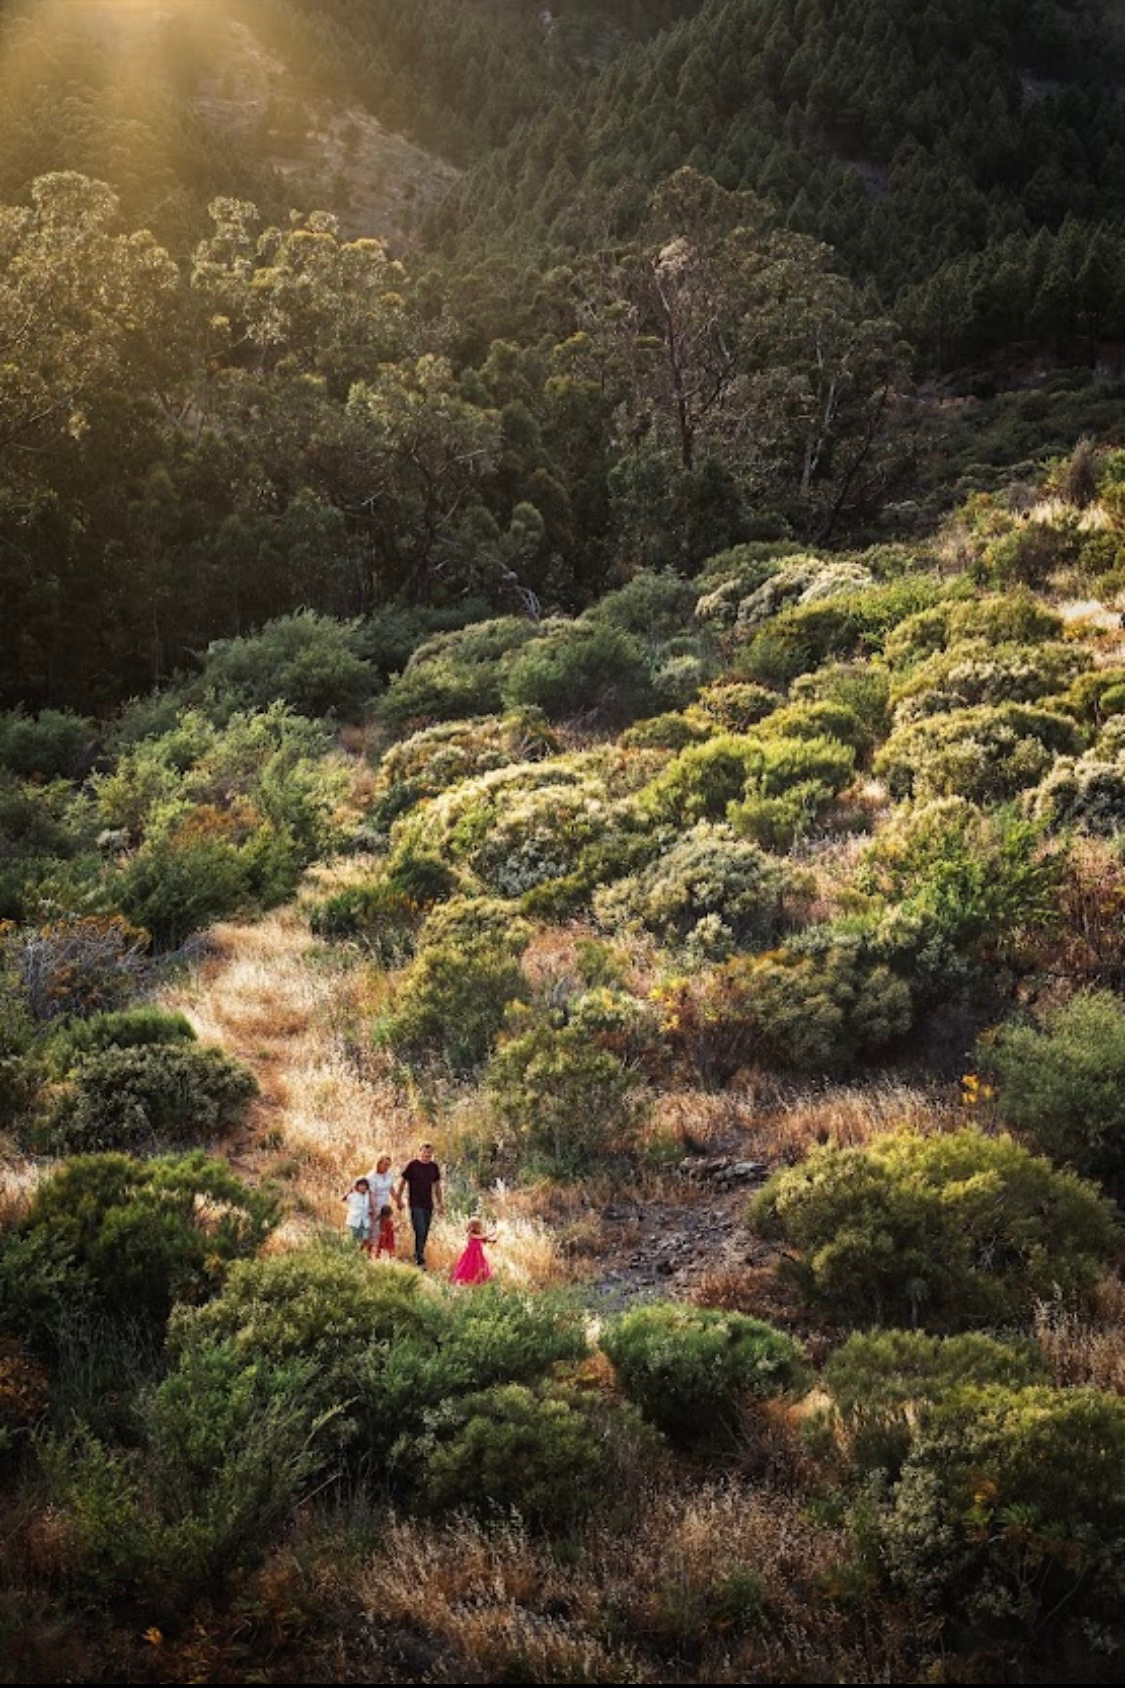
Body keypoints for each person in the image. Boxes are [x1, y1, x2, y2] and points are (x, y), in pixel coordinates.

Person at [394, 1142, 443, 1268]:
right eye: (425, 1152)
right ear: (420, 1151)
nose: (427, 1154)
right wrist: (398, 1199)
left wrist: (440, 1203)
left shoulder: (433, 1167)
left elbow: (437, 1186)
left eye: (429, 1152)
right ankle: (420, 1259)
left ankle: (418, 1254)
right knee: (419, 1229)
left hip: (428, 1204)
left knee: (425, 1231)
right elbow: (402, 1182)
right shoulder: (413, 1165)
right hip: (415, 1203)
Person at [450, 1216, 495, 1286]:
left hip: (478, 1256)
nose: (479, 1228)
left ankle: (479, 1281)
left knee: (479, 1268)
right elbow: (479, 1237)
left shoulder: (479, 1235)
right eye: (477, 1227)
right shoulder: (470, 1235)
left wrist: (491, 1240)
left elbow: (484, 1239)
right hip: (470, 1257)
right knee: (469, 1269)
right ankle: (468, 1281)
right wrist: (489, 1234)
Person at [364, 1154, 395, 1229]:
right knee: (375, 1229)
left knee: (386, 1229)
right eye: (385, 1165)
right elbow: (371, 1194)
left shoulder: (389, 1175)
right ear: (379, 1163)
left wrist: (398, 1201)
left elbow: (391, 1189)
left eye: (389, 1165)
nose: (387, 1167)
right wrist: (374, 1210)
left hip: (385, 1207)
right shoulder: (372, 1176)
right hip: (375, 1206)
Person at [343, 1177, 373, 1251]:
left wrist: (371, 1212)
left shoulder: (368, 1195)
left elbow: (370, 1206)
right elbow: (343, 1199)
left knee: (366, 1238)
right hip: (354, 1220)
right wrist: (349, 1191)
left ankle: (359, 1250)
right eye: (361, 1185)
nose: (363, 1187)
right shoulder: (353, 1195)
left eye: (365, 1185)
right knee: (353, 1238)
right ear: (357, 1186)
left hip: (365, 1220)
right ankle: (352, 1252)